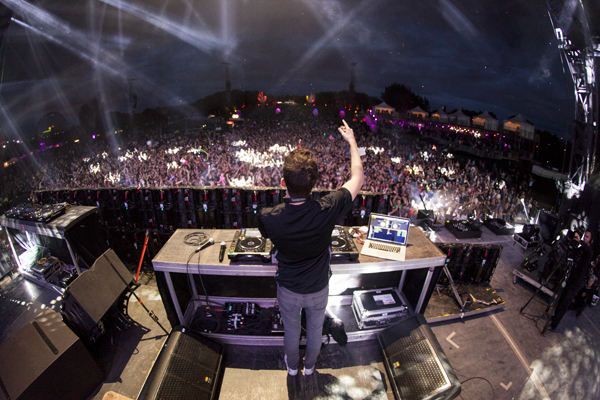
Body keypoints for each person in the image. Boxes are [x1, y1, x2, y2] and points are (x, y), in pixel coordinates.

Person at [258, 120, 364, 376]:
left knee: (291, 330)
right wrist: (351, 141)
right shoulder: (328, 208)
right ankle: (309, 367)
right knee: (315, 330)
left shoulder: (268, 217)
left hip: (288, 289)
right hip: (318, 288)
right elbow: (358, 177)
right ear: (314, 183)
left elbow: (269, 239)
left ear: (283, 182)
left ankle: (292, 368)